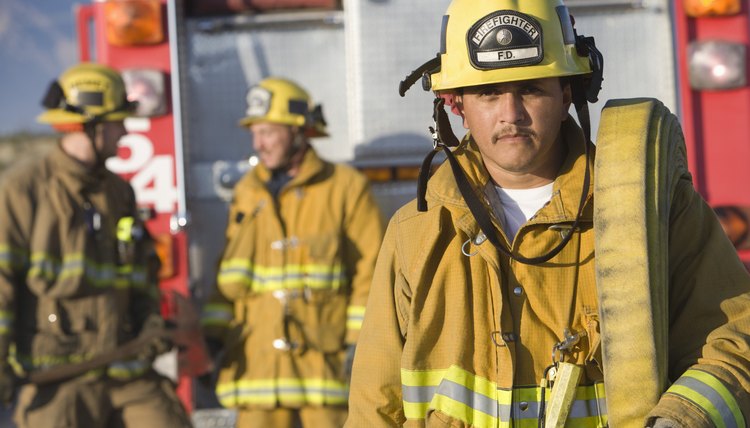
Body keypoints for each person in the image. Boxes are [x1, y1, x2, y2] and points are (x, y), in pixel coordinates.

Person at [346, 1, 750, 427]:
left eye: (532, 88)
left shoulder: (655, 212)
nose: (511, 114)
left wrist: (681, 419)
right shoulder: (416, 232)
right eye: (489, 93)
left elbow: (736, 337)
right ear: (456, 105)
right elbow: (376, 402)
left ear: (566, 94)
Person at [0, 63, 192, 427]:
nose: (124, 132)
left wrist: (150, 320)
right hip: (60, 376)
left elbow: (140, 270)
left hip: (127, 367)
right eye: (117, 123)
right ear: (89, 126)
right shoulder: (22, 191)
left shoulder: (119, 193)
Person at [200, 77, 385, 428]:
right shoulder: (246, 192)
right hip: (257, 368)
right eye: (255, 133)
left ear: (300, 131)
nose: (259, 143)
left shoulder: (345, 187)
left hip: (323, 365)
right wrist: (212, 336)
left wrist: (359, 346)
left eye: (268, 132)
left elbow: (371, 271)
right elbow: (228, 272)